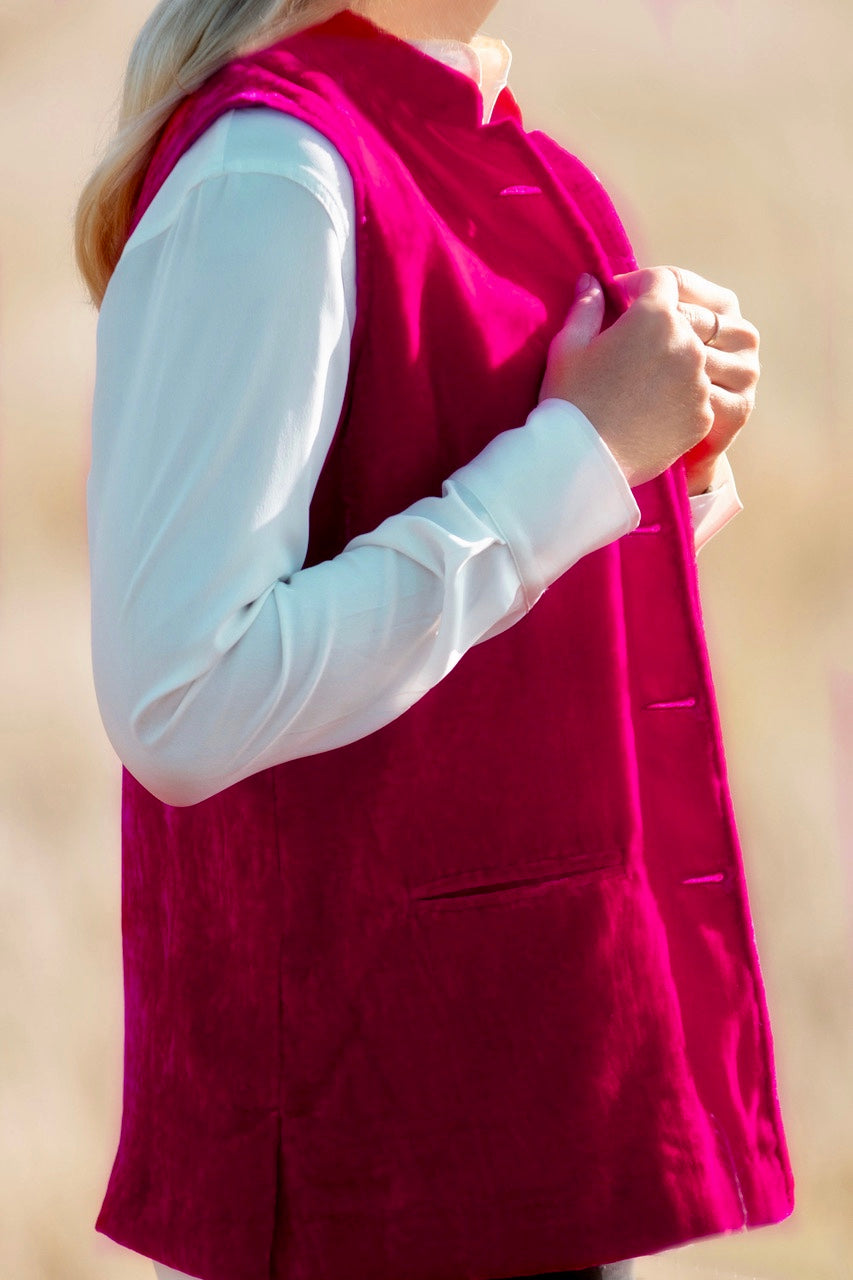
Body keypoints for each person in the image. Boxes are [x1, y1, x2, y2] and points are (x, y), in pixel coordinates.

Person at [74, 2, 794, 1279]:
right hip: (377, 1138)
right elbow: (184, 698)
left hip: (528, 1082)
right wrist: (579, 452)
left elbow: (488, 604)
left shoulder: (497, 152)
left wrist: (656, 474)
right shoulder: (268, 175)